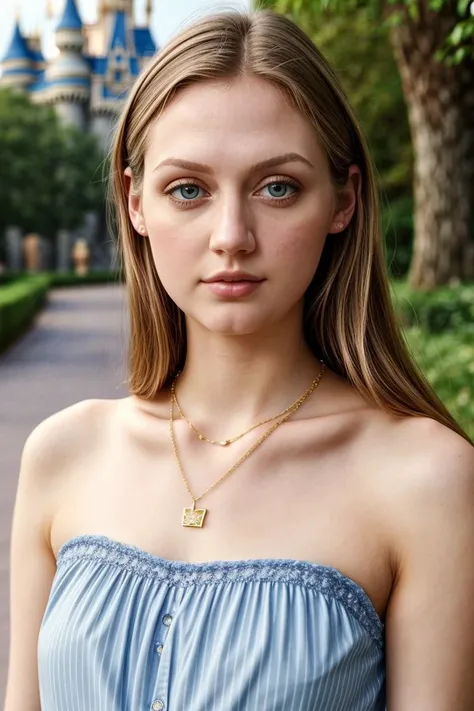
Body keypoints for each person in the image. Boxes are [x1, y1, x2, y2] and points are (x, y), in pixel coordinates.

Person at [4, 9, 474, 711]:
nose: (232, 236)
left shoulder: (426, 480)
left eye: (276, 186)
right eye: (187, 189)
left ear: (342, 201)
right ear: (136, 202)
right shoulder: (63, 453)